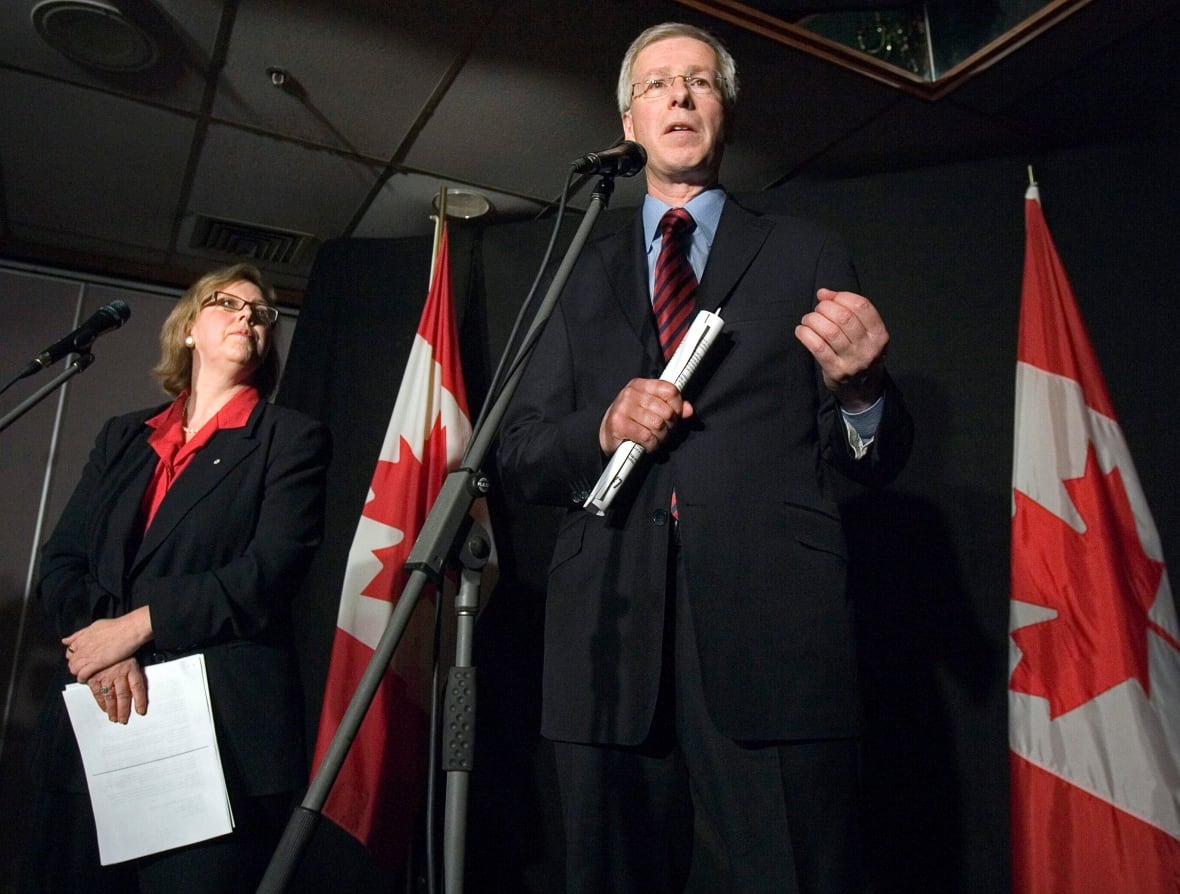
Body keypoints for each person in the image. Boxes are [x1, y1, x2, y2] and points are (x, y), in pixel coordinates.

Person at [497, 22, 914, 894]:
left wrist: (862, 389)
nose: (679, 96)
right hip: (605, 639)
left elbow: (868, 458)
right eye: (657, 84)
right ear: (628, 119)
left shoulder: (804, 250)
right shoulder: (576, 269)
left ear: (723, 110)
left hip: (775, 634)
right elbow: (522, 453)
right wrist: (604, 425)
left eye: (698, 81)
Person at [21, 263, 331, 893]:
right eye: (228, 303)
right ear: (190, 328)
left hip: (216, 738)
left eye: (262, 312)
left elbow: (268, 573)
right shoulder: (123, 437)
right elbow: (62, 561)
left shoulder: (289, 439)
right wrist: (101, 650)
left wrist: (135, 626)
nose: (248, 316)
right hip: (98, 723)